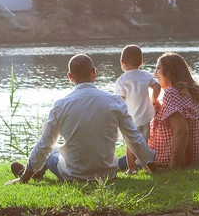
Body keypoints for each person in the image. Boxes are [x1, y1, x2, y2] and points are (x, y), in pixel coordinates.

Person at [10, 53, 156, 183]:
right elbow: (134, 138)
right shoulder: (116, 102)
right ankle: (33, 172)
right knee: (123, 155)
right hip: (107, 174)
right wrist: (152, 166)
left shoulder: (60, 106)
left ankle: (29, 173)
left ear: (70, 77)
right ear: (94, 73)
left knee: (51, 150)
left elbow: (44, 146)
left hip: (73, 175)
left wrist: (23, 179)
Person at [150, 52, 199, 169]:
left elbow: (181, 131)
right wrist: (161, 111)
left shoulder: (172, 93)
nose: (155, 74)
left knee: (126, 159)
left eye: (159, 69)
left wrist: (173, 166)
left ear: (170, 72)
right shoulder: (193, 90)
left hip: (174, 161)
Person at [114, 44, 161, 173]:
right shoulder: (145, 76)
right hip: (146, 116)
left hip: (130, 119)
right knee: (143, 143)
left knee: (131, 145)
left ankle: (132, 169)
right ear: (141, 62)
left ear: (122, 63)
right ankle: (146, 166)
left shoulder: (121, 81)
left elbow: (120, 100)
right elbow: (157, 87)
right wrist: (153, 100)